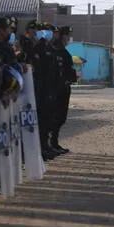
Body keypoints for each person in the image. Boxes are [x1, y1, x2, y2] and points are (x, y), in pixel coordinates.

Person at [31, 23, 60, 160]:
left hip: (50, 88)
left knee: (48, 120)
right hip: (41, 90)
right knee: (42, 121)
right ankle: (41, 148)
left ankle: (46, 146)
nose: (50, 34)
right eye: (47, 31)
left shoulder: (49, 48)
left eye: (51, 31)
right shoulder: (39, 48)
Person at [50, 26, 77, 154]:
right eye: (66, 36)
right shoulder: (53, 52)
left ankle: (54, 143)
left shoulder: (65, 53)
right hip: (54, 89)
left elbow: (69, 71)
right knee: (54, 117)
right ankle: (51, 144)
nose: (68, 39)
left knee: (61, 118)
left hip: (64, 89)